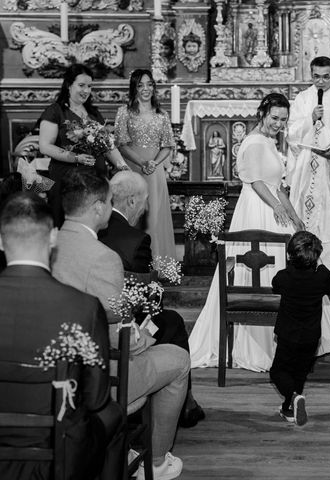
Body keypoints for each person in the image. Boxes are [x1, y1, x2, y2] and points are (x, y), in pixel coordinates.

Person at [51, 169, 189, 480]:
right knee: (178, 359)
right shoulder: (102, 257)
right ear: (98, 207)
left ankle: (123, 444)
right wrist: (145, 336)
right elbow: (123, 336)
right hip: (95, 379)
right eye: (109, 201)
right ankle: (155, 463)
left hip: (51, 368)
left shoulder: (46, 244)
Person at [189, 93, 330, 372]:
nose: (279, 124)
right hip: (256, 210)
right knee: (261, 265)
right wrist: (277, 209)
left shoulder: (270, 142)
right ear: (262, 114)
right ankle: (258, 345)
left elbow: (278, 186)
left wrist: (294, 217)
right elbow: (256, 182)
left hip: (271, 206)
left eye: (283, 120)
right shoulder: (253, 142)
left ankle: (284, 340)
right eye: (275, 118)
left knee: (280, 265)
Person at [0, 192, 124, 480]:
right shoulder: (82, 307)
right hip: (58, 449)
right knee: (113, 415)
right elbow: (95, 398)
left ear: (1, 240)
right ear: (53, 237)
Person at [99, 170, 205, 428]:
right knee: (170, 321)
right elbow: (144, 301)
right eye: (146, 200)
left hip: (93, 319)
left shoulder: (93, 230)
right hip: (124, 326)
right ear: (132, 201)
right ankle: (182, 404)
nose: (146, 207)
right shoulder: (136, 240)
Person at [287, 56, 330, 270]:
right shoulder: (302, 98)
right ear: (311, 74)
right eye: (316, 77)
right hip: (306, 166)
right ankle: (300, 266)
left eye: (325, 77)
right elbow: (290, 134)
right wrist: (310, 118)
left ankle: (328, 269)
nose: (321, 82)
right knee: (303, 212)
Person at [38, 64, 129, 227]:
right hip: (67, 181)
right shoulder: (55, 111)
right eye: (81, 85)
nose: (86, 90)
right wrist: (76, 158)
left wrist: (122, 166)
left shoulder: (94, 114)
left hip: (96, 181)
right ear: (68, 85)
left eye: (89, 86)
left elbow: (108, 145)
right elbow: (45, 146)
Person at [270, 231, 330, 426]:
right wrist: (322, 265)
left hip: (287, 334)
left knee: (277, 372)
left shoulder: (284, 276)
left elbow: (275, 286)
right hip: (310, 336)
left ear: (289, 255)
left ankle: (293, 398)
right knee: (299, 373)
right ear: (316, 256)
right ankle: (289, 408)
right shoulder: (322, 277)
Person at [114, 69, 177, 259]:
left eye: (149, 84)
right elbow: (121, 145)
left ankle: (157, 263)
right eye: (140, 85)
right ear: (134, 88)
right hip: (133, 170)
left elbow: (167, 145)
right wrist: (142, 163)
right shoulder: (124, 113)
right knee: (131, 214)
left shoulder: (162, 114)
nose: (146, 88)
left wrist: (154, 163)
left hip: (154, 172)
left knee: (154, 217)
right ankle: (131, 261)